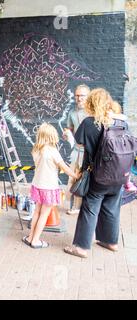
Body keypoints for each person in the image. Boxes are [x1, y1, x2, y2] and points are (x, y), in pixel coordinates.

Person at [64, 88, 127, 258]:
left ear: (91, 103)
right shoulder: (122, 123)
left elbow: (78, 143)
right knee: (112, 208)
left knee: (89, 209)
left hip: (98, 176)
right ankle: (110, 242)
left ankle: (81, 247)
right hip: (120, 175)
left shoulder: (89, 123)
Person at [22, 123, 79, 249]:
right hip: (49, 187)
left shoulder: (36, 149)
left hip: (37, 185)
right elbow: (64, 167)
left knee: (36, 212)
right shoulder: (53, 152)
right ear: (51, 136)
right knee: (44, 214)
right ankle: (36, 240)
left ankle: (30, 237)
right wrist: (76, 176)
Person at [63, 84, 90, 215]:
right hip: (77, 151)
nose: (79, 98)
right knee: (74, 178)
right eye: (77, 95)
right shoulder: (72, 113)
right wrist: (67, 133)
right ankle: (75, 206)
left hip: (91, 152)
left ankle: (88, 207)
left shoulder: (93, 112)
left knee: (89, 179)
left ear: (88, 96)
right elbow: (70, 129)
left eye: (82, 96)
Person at [108, 102, 137, 192]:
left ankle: (127, 183)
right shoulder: (123, 123)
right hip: (121, 153)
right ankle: (127, 183)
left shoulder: (114, 123)